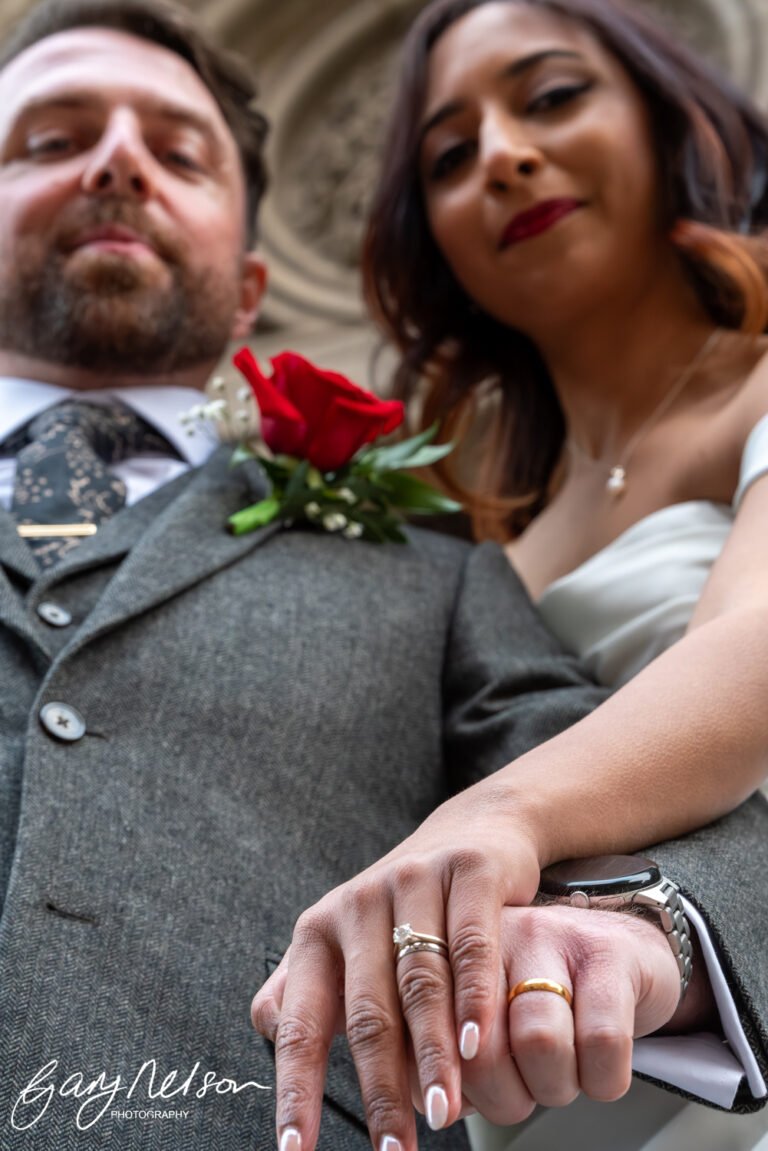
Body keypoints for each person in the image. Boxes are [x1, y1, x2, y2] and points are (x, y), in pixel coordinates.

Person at [0, 3, 763, 1151]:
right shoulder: (517, 503)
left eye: (179, 149)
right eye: (51, 140)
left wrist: (657, 925)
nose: (117, 163)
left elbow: (661, 809)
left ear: (252, 285)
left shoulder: (440, 565)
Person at [251, 0, 768, 1147]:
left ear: (667, 117)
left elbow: (756, 642)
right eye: (448, 154)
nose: (501, 155)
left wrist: (495, 815)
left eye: (550, 97)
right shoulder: (477, 545)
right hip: (530, 1082)